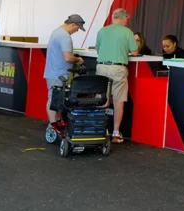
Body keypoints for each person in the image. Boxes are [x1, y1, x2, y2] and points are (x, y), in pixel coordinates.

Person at [95, 8, 139, 143]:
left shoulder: (102, 30)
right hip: (118, 68)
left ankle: (99, 129)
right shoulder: (127, 32)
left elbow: (97, 48)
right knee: (119, 100)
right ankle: (115, 132)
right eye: (126, 19)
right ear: (124, 18)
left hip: (102, 67)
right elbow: (135, 52)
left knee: (102, 99)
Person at [43, 14, 86, 139]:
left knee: (54, 99)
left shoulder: (56, 32)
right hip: (59, 74)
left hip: (53, 72)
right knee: (54, 100)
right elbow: (67, 57)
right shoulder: (65, 37)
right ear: (73, 25)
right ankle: (53, 125)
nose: (76, 31)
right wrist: (78, 60)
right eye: (77, 28)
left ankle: (54, 124)